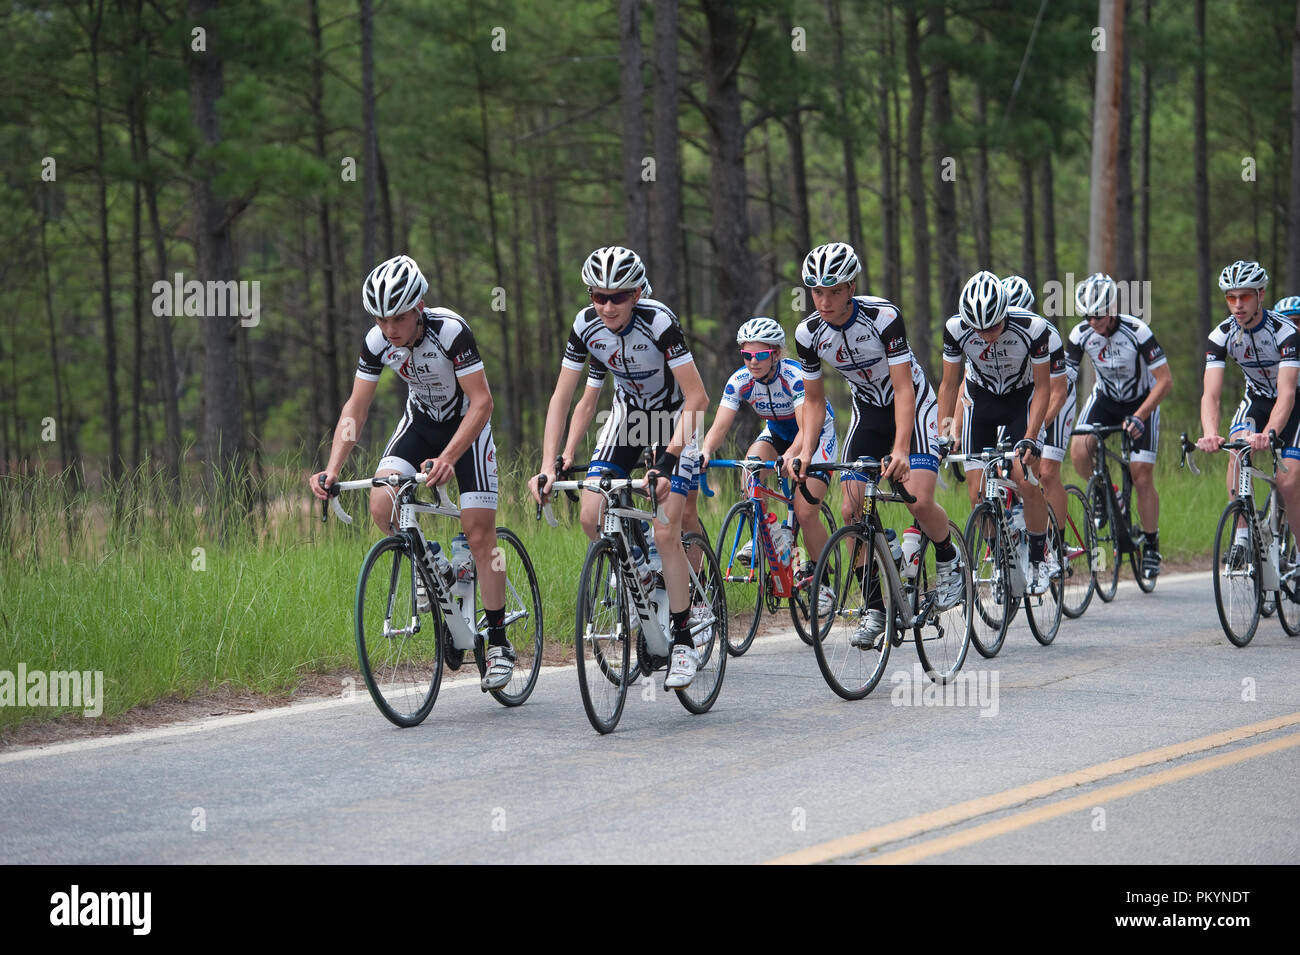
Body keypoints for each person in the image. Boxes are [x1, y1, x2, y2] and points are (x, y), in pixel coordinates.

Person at [309, 254, 514, 691]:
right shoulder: (377, 341)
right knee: (382, 504)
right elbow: (356, 408)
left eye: (399, 318)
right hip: (420, 424)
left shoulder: (451, 332)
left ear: (419, 306)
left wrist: (450, 457)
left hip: (467, 429)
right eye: (381, 319)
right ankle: (439, 567)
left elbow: (483, 403)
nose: (390, 330)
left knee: (480, 535)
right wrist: (331, 469)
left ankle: (497, 640)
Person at [530, 246, 709, 689]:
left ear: (636, 294)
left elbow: (698, 397)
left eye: (619, 296)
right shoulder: (585, 326)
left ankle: (683, 639)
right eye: (598, 296)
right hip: (628, 419)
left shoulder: (659, 321)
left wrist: (667, 461)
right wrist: (550, 463)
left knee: (667, 527)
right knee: (591, 514)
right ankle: (641, 574)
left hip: (676, 419)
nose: (608, 306)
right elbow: (562, 398)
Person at [791, 241, 963, 647]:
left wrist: (901, 449)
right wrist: (805, 450)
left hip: (913, 407)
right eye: (817, 292)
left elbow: (904, 389)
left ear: (851, 287)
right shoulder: (808, 333)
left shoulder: (883, 317)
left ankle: (948, 556)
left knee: (917, 500)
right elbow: (814, 401)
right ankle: (874, 608)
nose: (825, 300)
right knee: (851, 508)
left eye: (834, 291)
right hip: (868, 413)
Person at [699, 317, 837, 612]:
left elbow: (805, 427)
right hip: (776, 431)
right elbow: (721, 424)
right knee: (750, 468)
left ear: (775, 353)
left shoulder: (794, 375)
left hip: (814, 432)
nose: (752, 362)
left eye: (760, 355)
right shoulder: (740, 381)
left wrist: (794, 454)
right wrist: (706, 450)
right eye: (746, 355)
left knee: (805, 510)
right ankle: (765, 534)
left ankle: (821, 578)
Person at [936, 271, 1058, 595]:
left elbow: (1044, 388)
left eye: (992, 326)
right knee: (976, 492)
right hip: (982, 398)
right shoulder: (955, 329)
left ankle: (1037, 558)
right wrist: (945, 433)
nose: (986, 335)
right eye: (979, 328)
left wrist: (1032, 436)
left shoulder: (1033, 329)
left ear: (1005, 313)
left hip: (1022, 398)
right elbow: (949, 385)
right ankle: (1003, 558)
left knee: (1024, 477)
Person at [1066, 272, 1173, 579]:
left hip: (1143, 400)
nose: (1092, 321)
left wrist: (1140, 415)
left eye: (1097, 315)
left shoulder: (1137, 331)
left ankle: (1151, 545)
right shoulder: (1081, 334)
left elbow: (1165, 381)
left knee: (1141, 474)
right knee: (1079, 450)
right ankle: (1108, 493)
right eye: (1086, 315)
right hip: (1106, 398)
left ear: (1112, 308)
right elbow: (1065, 382)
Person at [1197, 260, 1300, 566]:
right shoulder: (1221, 335)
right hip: (1256, 399)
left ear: (1261, 295)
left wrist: (1270, 432)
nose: (1238, 305)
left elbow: (1287, 393)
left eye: (1245, 296)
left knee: (1288, 483)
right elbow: (1211, 394)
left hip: (1292, 404)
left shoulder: (1286, 332)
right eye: (1231, 297)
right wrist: (1209, 432)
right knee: (1237, 450)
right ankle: (1242, 538)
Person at [1002, 275, 1071, 541]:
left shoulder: (1046, 334)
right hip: (1024, 397)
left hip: (1057, 394)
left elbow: (1058, 391)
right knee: (1005, 465)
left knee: (1046, 470)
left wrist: (1036, 432)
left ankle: (1057, 545)